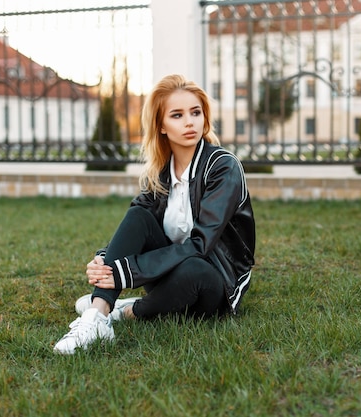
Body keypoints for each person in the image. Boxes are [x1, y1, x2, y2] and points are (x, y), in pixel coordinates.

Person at [54, 74, 256, 354]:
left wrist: (125, 273)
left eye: (195, 112)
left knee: (194, 269)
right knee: (139, 216)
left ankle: (128, 311)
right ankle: (97, 315)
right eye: (177, 115)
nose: (189, 122)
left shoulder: (223, 167)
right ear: (161, 125)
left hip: (214, 283)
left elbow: (200, 245)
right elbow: (136, 227)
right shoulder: (161, 171)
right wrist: (105, 259)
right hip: (168, 270)